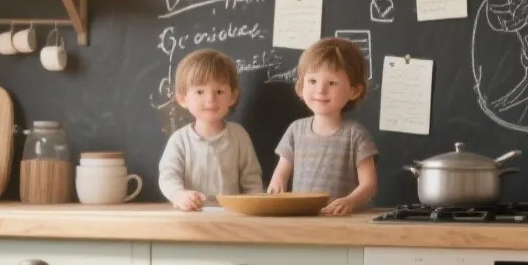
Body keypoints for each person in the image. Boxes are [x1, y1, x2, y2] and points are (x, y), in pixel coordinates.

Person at [267, 37, 379, 216]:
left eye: (332, 83)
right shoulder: (295, 131)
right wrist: (276, 184)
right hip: (304, 219)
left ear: (354, 91)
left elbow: (369, 185)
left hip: (342, 221)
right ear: (300, 86)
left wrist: (350, 201)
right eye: (312, 81)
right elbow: (281, 173)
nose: (321, 90)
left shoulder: (356, 135)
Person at [158, 49, 263, 211]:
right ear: (183, 99)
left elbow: (252, 180)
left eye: (219, 91)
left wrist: (254, 206)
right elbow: (168, 175)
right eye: (200, 92)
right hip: (191, 215)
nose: (210, 99)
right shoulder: (180, 140)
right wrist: (179, 195)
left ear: (233, 96)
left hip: (231, 217)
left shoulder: (238, 136)